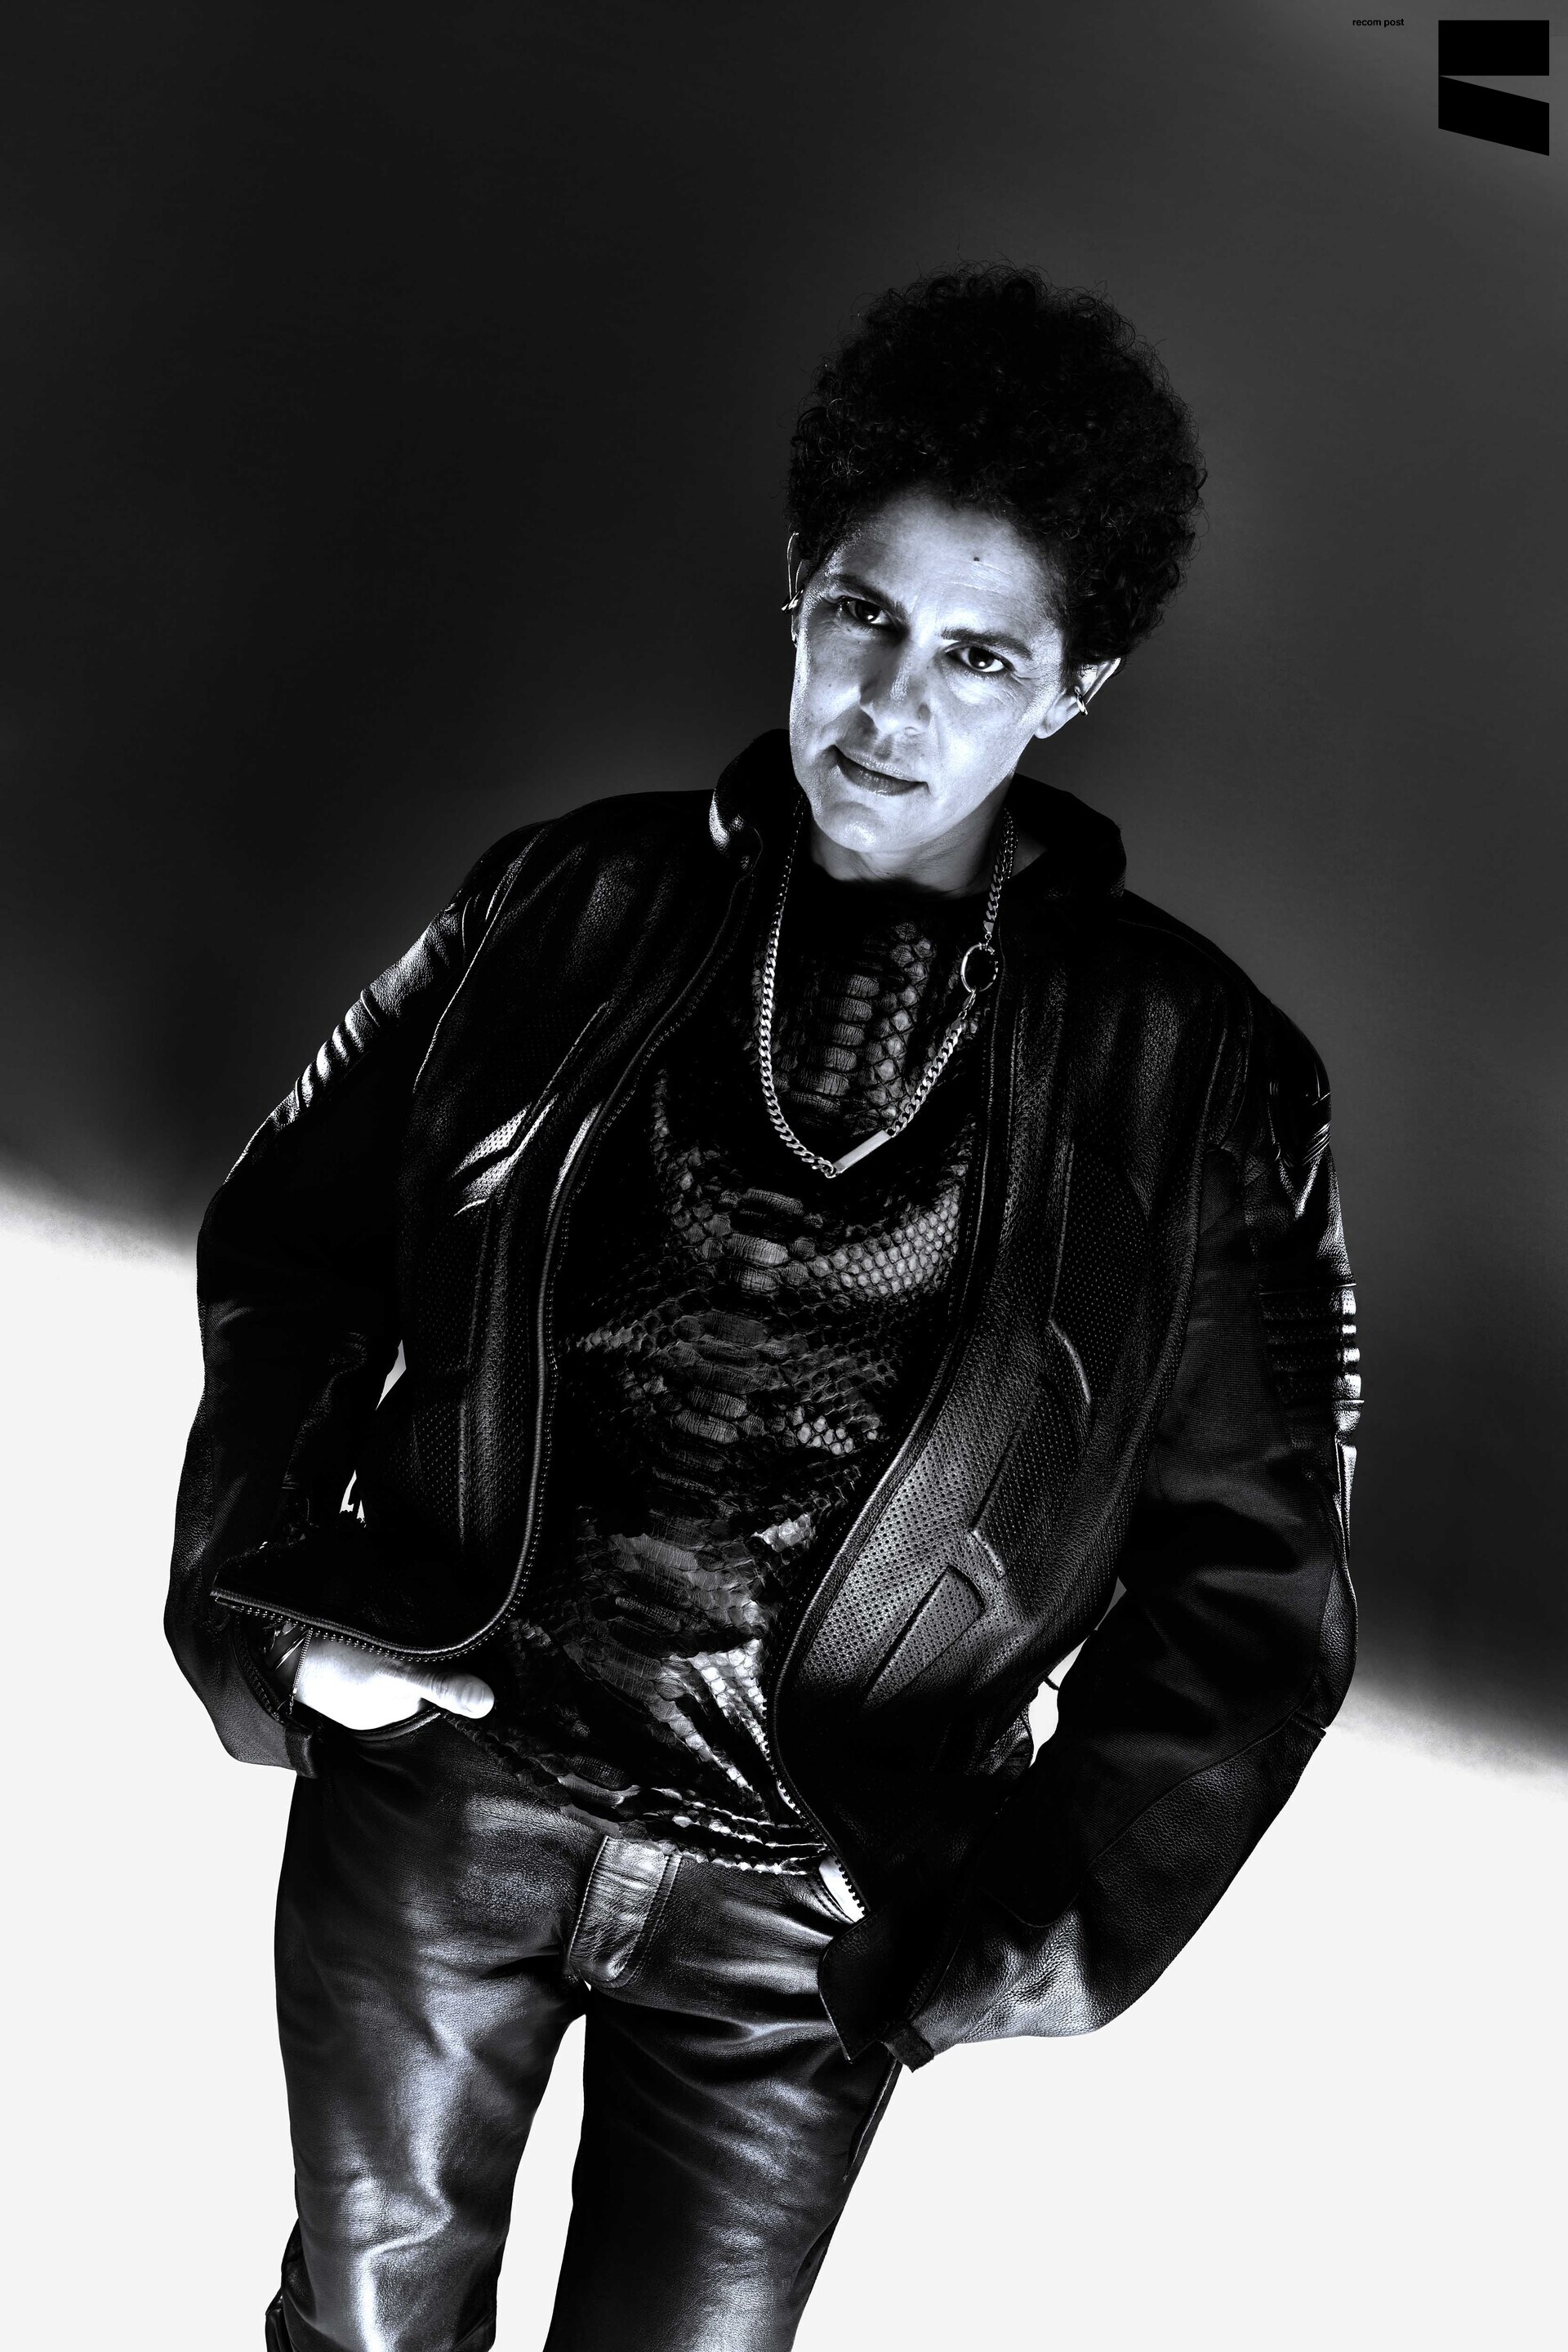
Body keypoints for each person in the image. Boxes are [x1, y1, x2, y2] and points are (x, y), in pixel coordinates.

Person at [167, 265, 1360, 2352]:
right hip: (444, 1806)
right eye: (862, 617)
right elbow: (290, 1243)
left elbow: (1254, 1593)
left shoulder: (1197, 1072)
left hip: (797, 1909)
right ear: (796, 591)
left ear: (1073, 689)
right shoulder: (568, 898)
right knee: (358, 2330)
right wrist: (282, 1617)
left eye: (979, 655)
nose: (894, 705)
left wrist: (995, 1933)